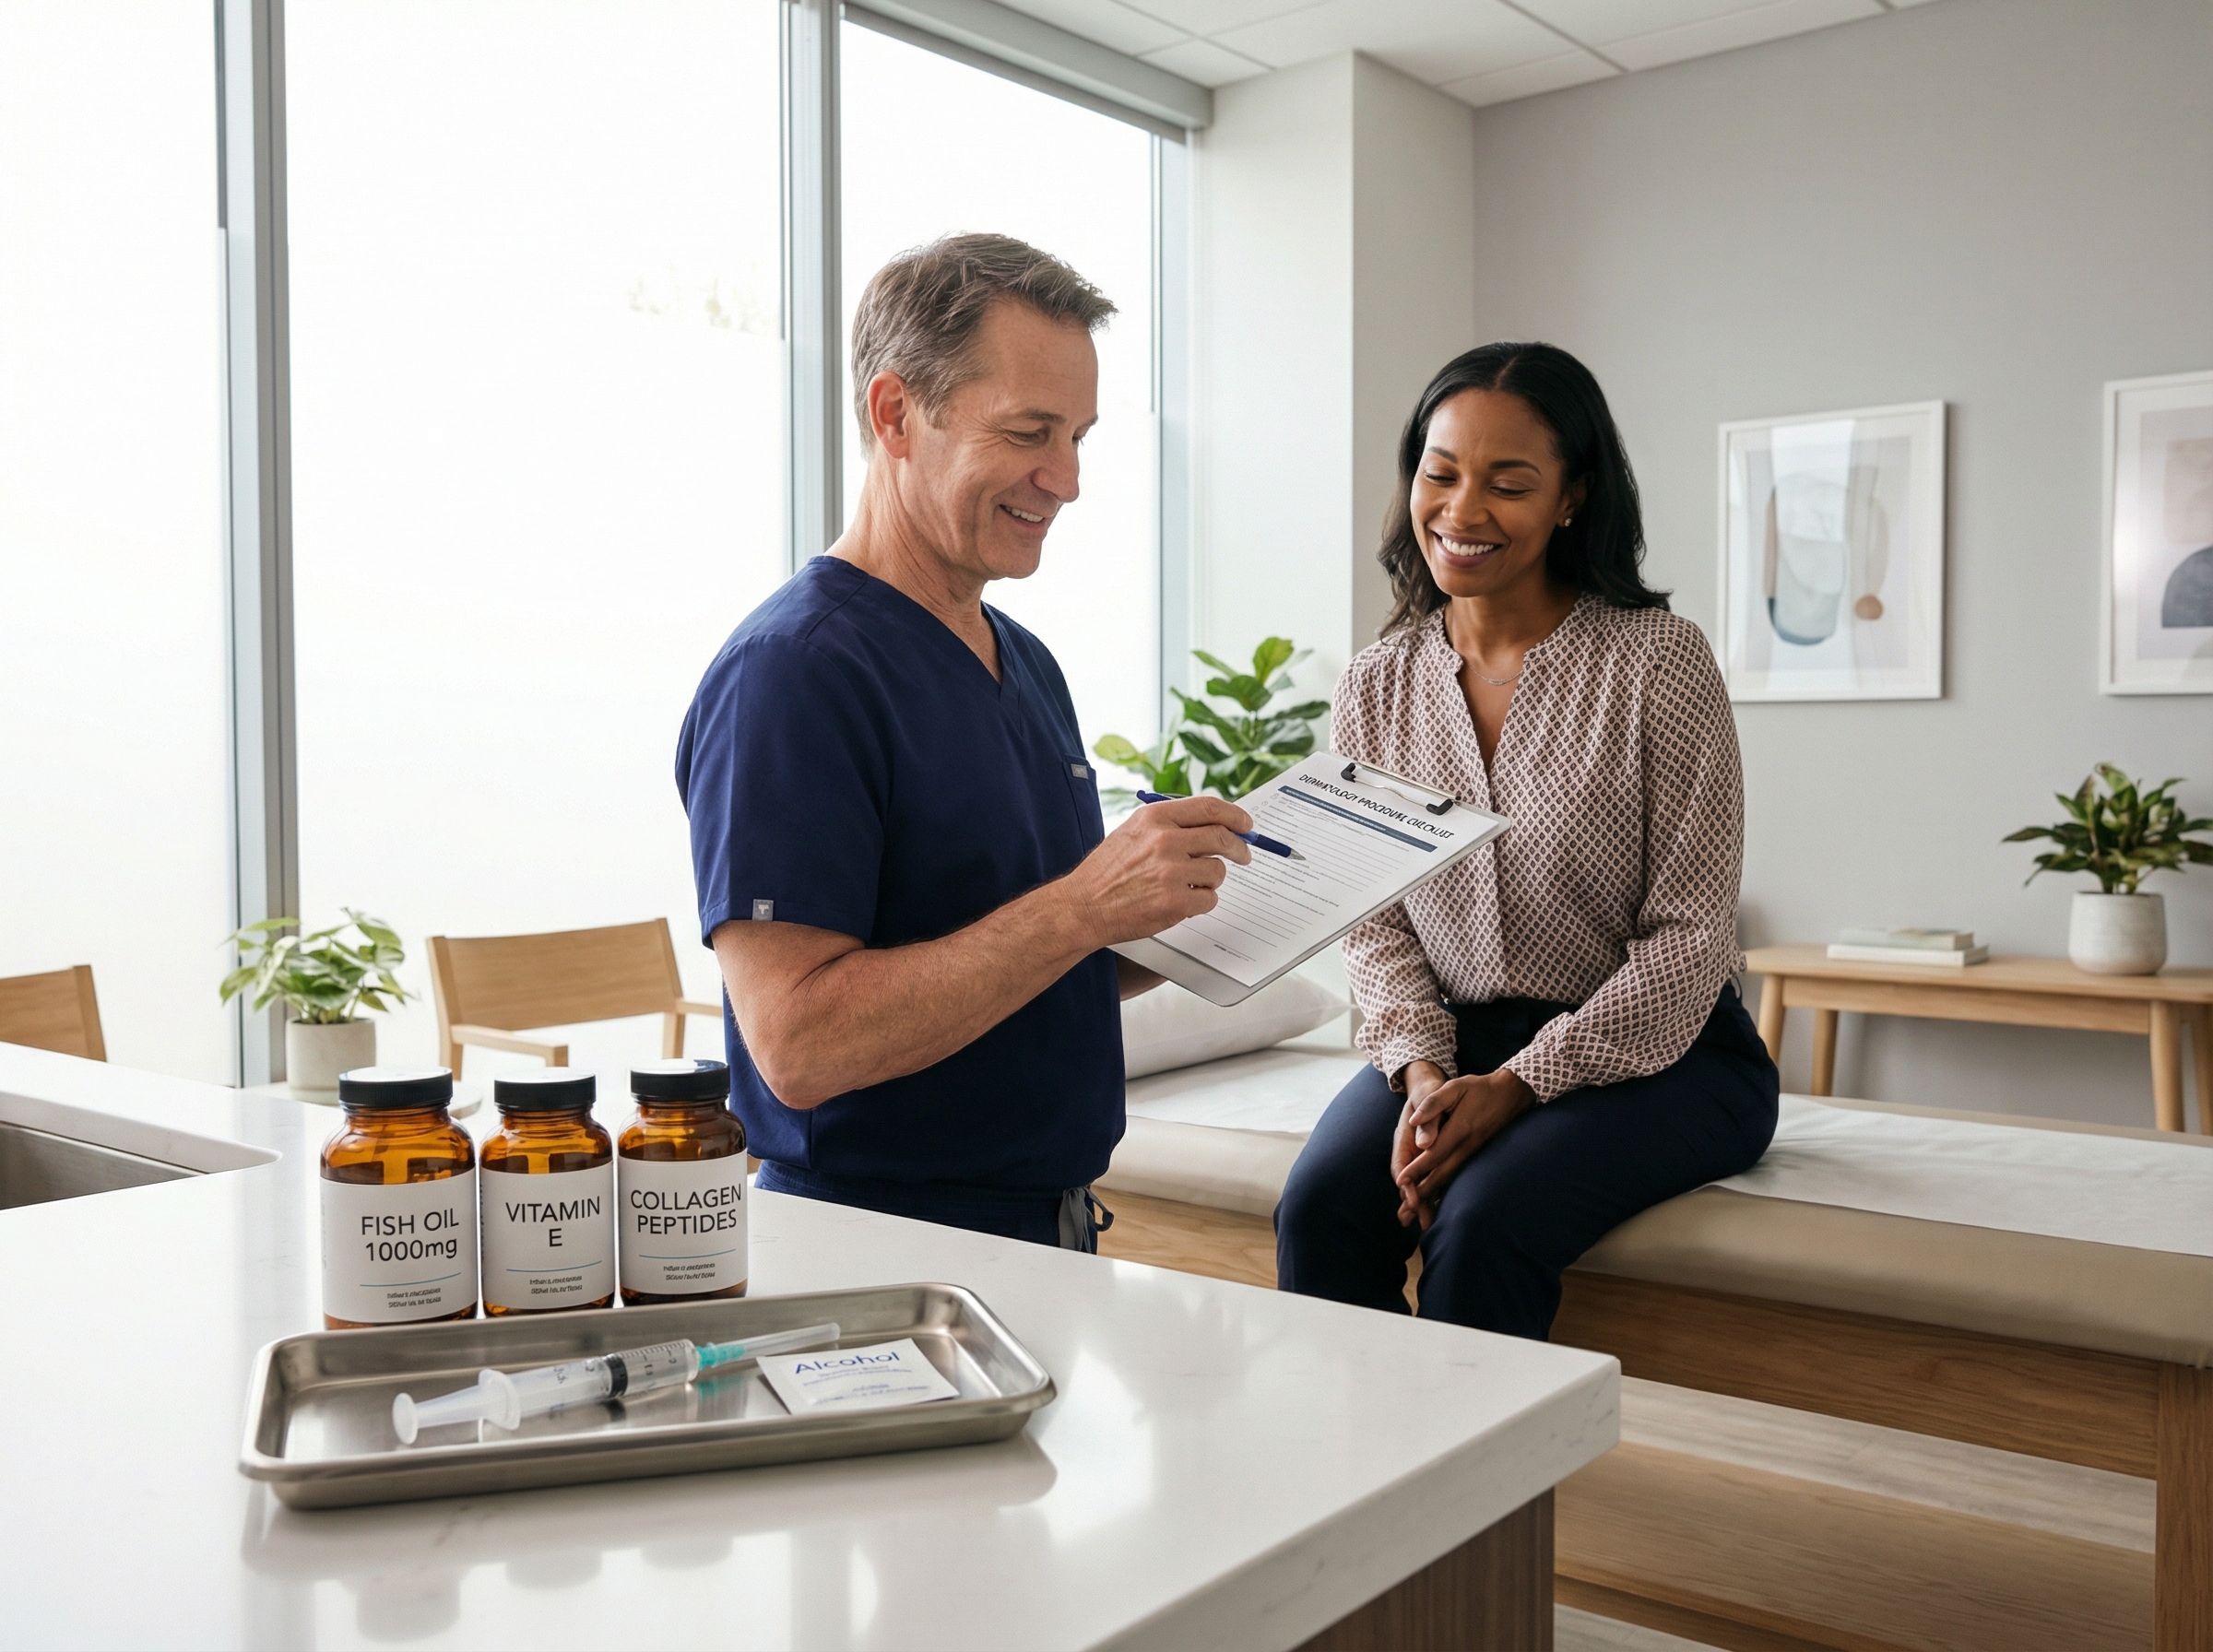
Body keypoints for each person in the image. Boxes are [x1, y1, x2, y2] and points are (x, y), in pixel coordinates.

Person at [676, 233, 1251, 1251]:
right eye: (1031, 431)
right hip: (878, 1244)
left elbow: (1033, 951)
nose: (1065, 479)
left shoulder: (1024, 663)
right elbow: (798, 1045)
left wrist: (1187, 912)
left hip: (1055, 1230)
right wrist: (1084, 903)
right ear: (897, 414)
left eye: (1078, 435)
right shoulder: (795, 674)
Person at [1273, 342, 1779, 1339]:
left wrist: (1520, 1085)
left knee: (1486, 1218)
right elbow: (1374, 925)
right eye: (1441, 472)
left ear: (1572, 497)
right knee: (1322, 1207)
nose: (1462, 511)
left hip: (1667, 1058)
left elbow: (1689, 936)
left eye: (1509, 484)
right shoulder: (1376, 683)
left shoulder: (1657, 663)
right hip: (1454, 1047)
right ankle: (1359, 1481)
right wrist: (1423, 1076)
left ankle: (1484, 1498)